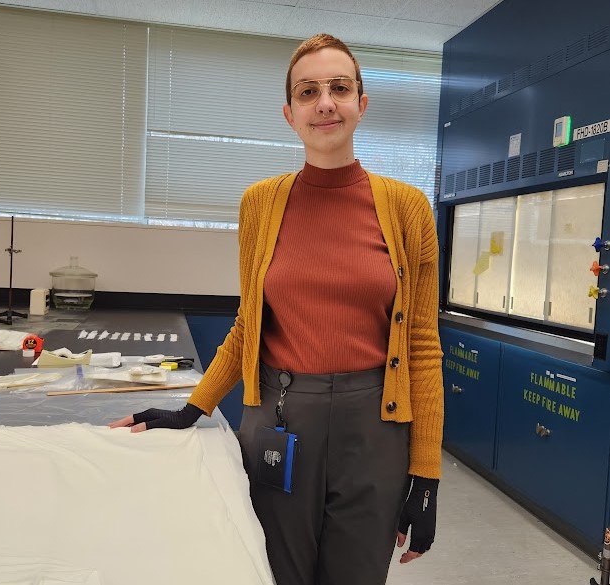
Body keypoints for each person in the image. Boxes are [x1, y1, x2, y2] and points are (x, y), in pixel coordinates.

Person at [110, 32, 444, 585]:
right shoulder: (260, 204)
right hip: (280, 423)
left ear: (362, 103)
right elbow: (248, 326)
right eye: (308, 91)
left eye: (339, 87)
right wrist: (191, 410)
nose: (325, 102)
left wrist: (426, 475)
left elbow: (423, 347)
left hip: (376, 430)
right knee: (274, 575)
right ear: (289, 113)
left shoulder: (407, 208)